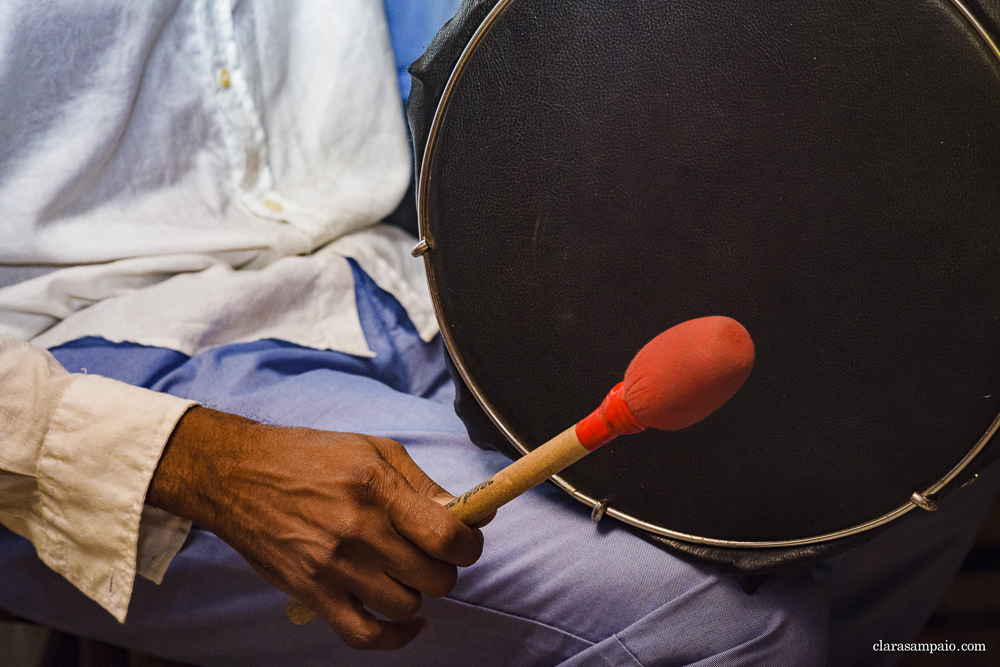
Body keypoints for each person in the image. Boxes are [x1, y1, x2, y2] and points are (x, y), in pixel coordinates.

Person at [0, 1, 996, 665]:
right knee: (733, 629)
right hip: (82, 363)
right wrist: (196, 459)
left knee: (937, 451)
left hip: (383, 282)